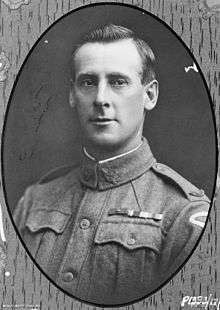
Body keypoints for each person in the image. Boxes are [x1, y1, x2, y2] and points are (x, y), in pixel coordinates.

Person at [13, 24, 210, 305]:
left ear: (149, 95)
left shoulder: (185, 214)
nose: (101, 99)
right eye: (88, 82)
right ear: (72, 94)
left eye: (118, 82)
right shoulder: (34, 200)